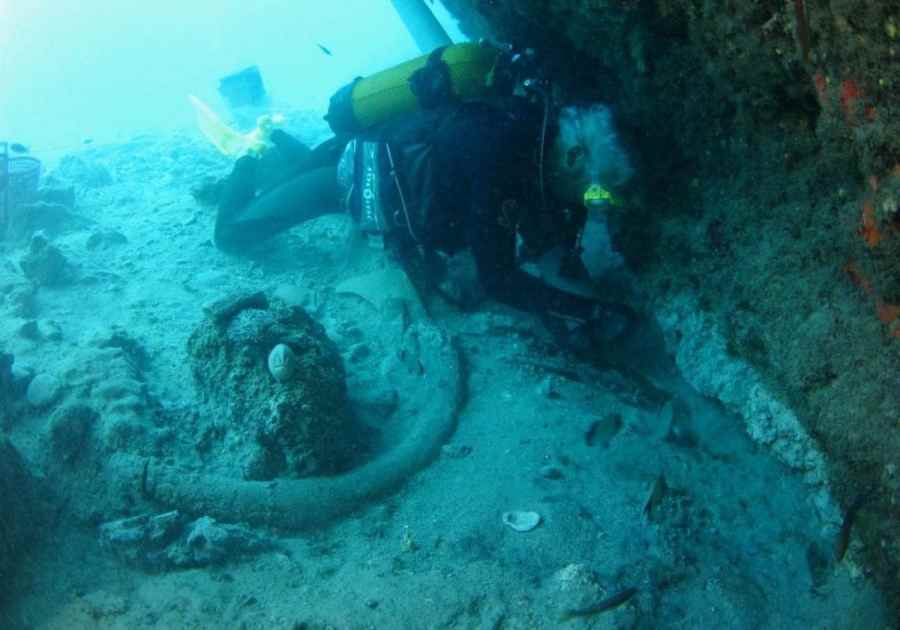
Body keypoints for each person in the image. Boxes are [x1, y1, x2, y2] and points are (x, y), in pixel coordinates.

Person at [210, 44, 636, 354]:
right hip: (342, 177)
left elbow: (540, 234)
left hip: (355, 155)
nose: (585, 195)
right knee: (232, 235)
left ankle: (274, 142)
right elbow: (497, 279)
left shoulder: (528, 125)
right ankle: (247, 153)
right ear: (575, 154)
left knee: (300, 176)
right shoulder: (500, 162)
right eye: (588, 184)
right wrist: (588, 311)